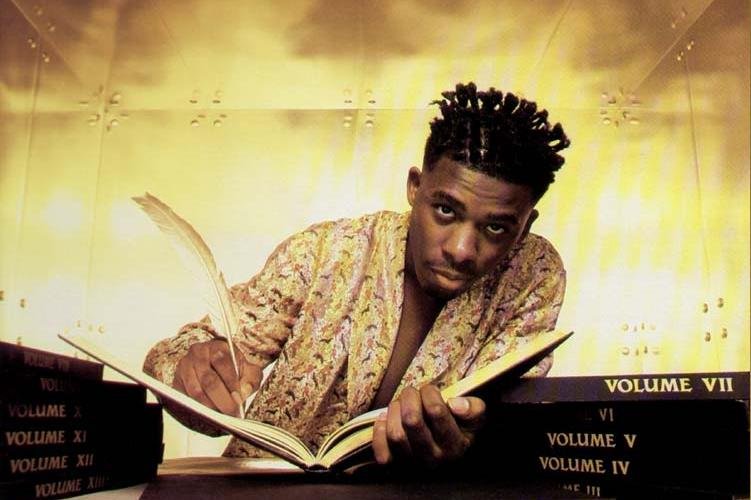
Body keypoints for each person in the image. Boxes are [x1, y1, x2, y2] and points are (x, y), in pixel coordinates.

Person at [143, 82, 571, 468]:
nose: (461, 249)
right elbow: (180, 357)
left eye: (495, 228)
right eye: (445, 210)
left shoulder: (531, 275)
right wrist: (194, 371)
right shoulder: (324, 252)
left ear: (525, 226)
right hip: (264, 494)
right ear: (414, 187)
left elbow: (505, 423)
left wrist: (469, 443)